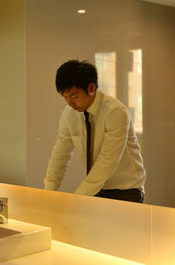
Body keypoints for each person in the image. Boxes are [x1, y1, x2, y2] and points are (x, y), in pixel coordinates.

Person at [44, 60, 146, 203]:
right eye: (65, 97)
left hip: (126, 192)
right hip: (96, 189)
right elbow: (60, 154)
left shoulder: (115, 112)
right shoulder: (70, 114)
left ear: (91, 88)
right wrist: (48, 193)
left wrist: (77, 199)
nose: (69, 103)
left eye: (73, 96)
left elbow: (107, 161)